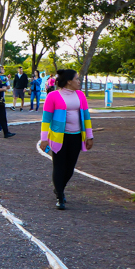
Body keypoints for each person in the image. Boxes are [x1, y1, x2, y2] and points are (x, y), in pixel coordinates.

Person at [41, 69, 93, 210]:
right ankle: (60, 196)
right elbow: (46, 119)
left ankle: (59, 188)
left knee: (70, 168)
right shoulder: (53, 96)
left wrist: (90, 136)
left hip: (76, 136)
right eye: (77, 79)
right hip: (59, 137)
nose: (79, 81)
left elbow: (86, 116)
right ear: (69, 81)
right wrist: (44, 139)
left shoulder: (80, 95)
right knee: (59, 167)